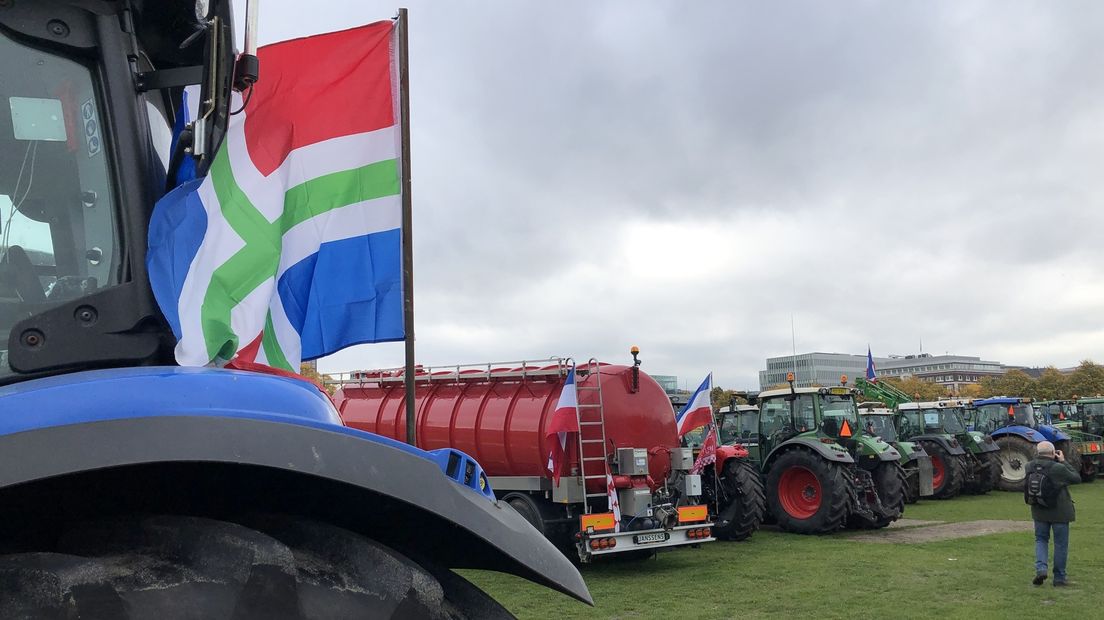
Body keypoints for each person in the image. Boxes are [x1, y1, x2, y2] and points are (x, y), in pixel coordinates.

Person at [1028, 440, 1080, 587]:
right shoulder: (1058, 468)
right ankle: (1059, 578)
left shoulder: (1029, 466)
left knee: (1041, 540)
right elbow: (1076, 478)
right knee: (1060, 545)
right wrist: (1063, 461)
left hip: (1039, 510)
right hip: (1060, 512)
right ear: (1053, 453)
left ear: (1037, 453)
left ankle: (1041, 568)